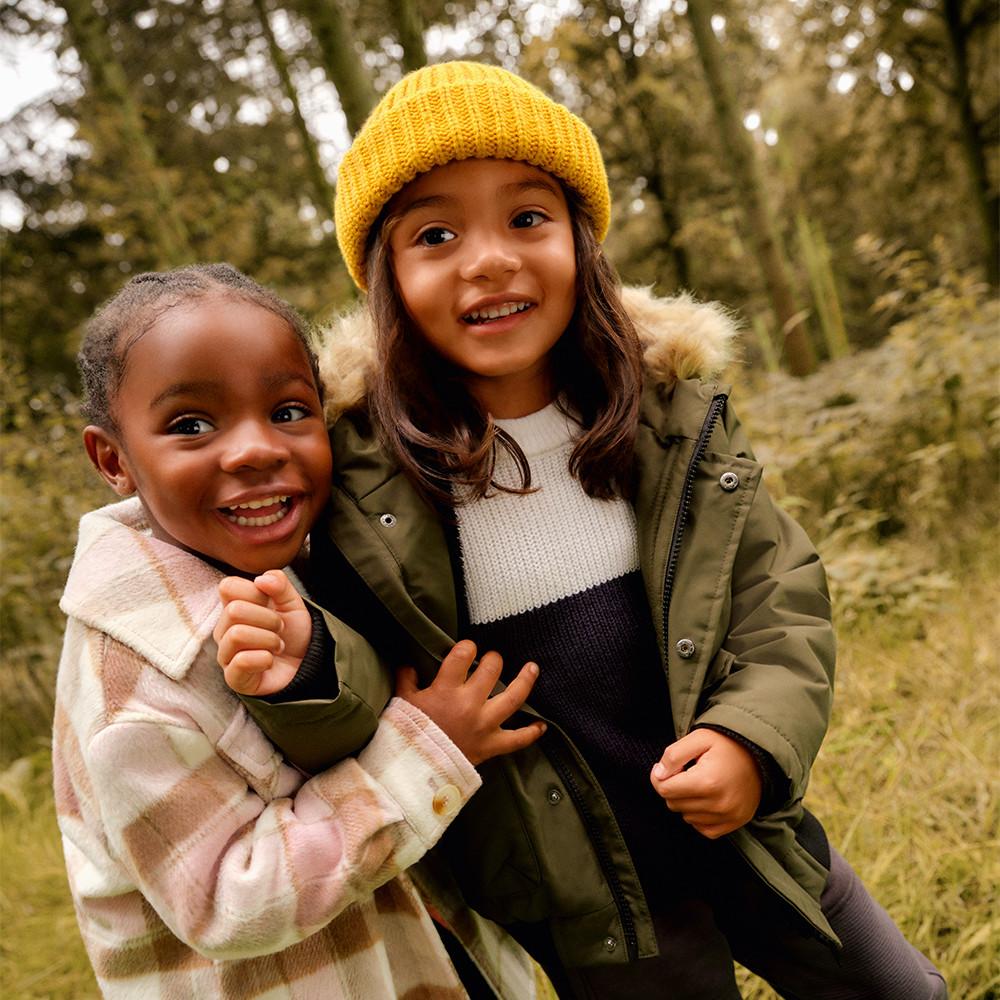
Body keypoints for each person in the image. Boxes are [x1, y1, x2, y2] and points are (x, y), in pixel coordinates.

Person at [223, 62, 948, 998]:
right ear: (387, 282)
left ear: (581, 241)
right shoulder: (368, 485)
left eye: (527, 218)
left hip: (751, 830)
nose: (488, 259)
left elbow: (781, 598)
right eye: (436, 235)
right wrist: (314, 669)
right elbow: (368, 678)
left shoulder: (667, 418)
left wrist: (753, 743)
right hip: (587, 901)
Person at [51, 262, 548, 999]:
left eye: (288, 411)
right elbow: (231, 901)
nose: (255, 449)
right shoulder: (134, 687)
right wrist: (427, 751)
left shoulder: (305, 564)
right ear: (113, 460)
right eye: (191, 425)